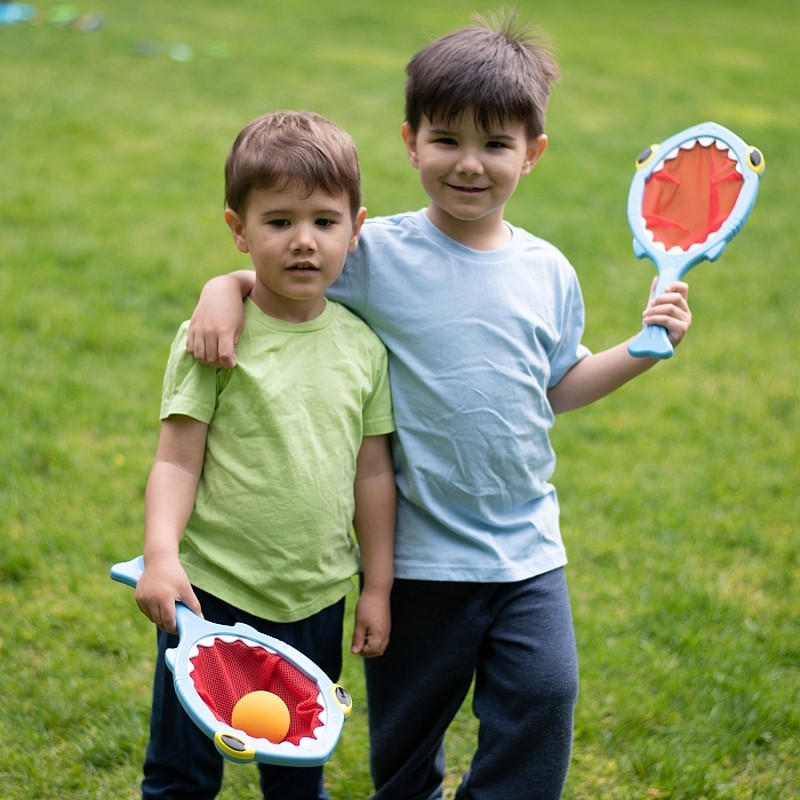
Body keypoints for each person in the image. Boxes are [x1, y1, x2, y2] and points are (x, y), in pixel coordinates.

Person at [183, 13, 692, 800]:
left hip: (527, 548)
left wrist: (641, 349)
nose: (469, 164)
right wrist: (224, 290)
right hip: (417, 557)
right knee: (407, 739)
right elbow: (284, 270)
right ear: (410, 140)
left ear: (534, 153)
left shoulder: (548, 271)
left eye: (496, 144)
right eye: (446, 138)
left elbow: (558, 386)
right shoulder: (374, 253)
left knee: (546, 696)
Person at [134, 110, 396, 800]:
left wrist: (376, 586)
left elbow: (373, 474)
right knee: (182, 771)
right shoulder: (215, 336)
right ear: (238, 230)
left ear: (356, 226)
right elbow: (176, 461)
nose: (303, 242)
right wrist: (161, 555)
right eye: (279, 222)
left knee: (296, 773)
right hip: (210, 593)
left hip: (315, 599)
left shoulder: (363, 349)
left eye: (324, 222)